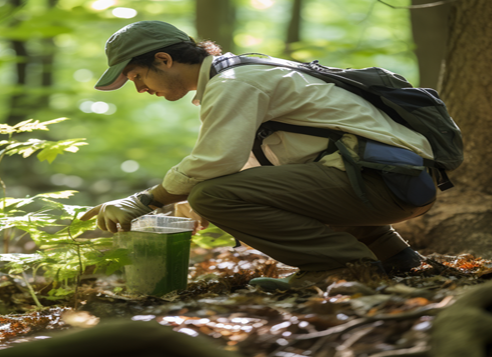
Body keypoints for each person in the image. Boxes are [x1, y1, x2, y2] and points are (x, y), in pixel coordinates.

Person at [81, 20, 435, 290]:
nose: (141, 88)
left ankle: (341, 266)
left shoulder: (234, 83)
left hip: (385, 182)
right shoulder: (240, 74)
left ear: (164, 59)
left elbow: (215, 161)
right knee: (212, 194)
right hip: (395, 180)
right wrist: (185, 198)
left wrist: (145, 200)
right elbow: (258, 163)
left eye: (138, 76)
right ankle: (395, 257)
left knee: (212, 195)